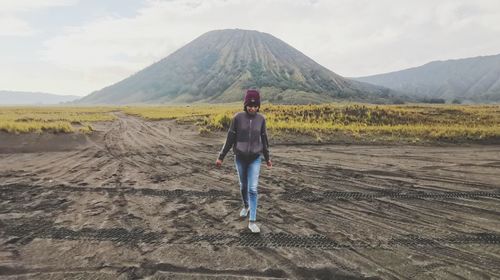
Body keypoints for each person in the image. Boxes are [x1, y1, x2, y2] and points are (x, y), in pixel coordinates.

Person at [216, 89, 272, 233]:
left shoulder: (261, 119)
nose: (252, 108)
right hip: (240, 157)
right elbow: (229, 139)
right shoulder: (237, 118)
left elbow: (264, 140)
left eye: (255, 106)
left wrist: (267, 158)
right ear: (245, 105)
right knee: (243, 185)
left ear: (258, 106)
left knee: (252, 188)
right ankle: (246, 206)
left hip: (255, 158)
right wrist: (221, 157)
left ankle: (252, 221)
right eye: (249, 105)